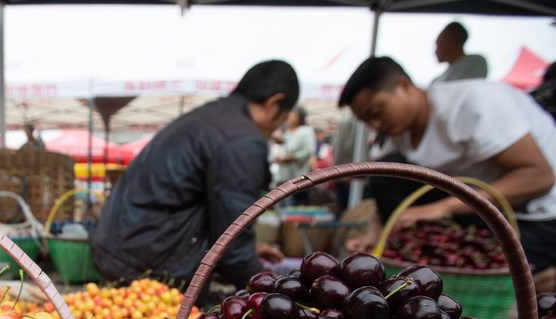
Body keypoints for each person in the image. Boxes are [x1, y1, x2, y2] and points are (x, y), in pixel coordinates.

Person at [339, 56, 556, 293]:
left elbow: (539, 177)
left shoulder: (472, 103)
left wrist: (443, 208)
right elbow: (386, 181)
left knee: (504, 281)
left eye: (377, 111)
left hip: (534, 218)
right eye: (367, 120)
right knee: (385, 170)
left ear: (403, 86)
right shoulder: (400, 134)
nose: (376, 125)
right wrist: (375, 235)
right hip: (476, 214)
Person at [90, 60, 296, 291]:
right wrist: (273, 295)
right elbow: (233, 248)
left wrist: (249, 248)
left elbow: (190, 201)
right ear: (274, 103)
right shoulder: (242, 141)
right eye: (283, 118)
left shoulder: (208, 118)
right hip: (148, 264)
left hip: (121, 247)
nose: (277, 128)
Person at [275, 106, 316, 203]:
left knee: (292, 206)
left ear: (299, 117)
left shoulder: (305, 131)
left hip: (296, 176)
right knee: (281, 204)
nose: (289, 117)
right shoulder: (287, 132)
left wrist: (289, 158)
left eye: (292, 114)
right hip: (282, 175)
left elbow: (308, 151)